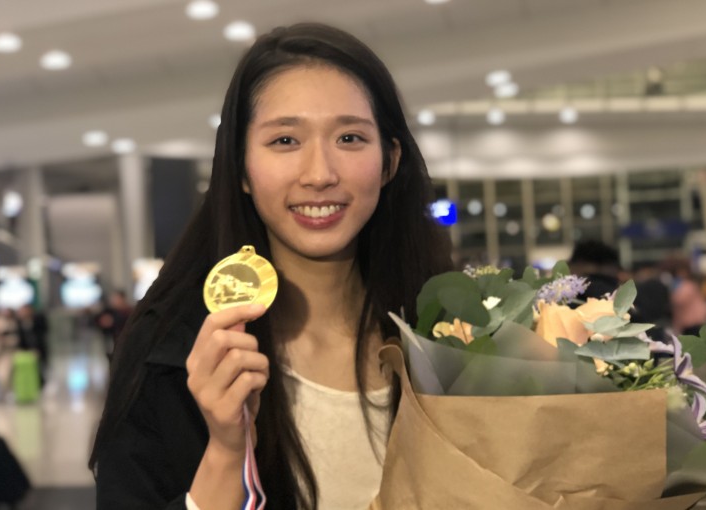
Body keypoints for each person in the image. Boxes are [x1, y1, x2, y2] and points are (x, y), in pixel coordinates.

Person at [90, 23, 452, 510]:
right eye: (285, 141)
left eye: (349, 137)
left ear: (389, 162)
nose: (320, 174)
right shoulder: (171, 353)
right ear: (239, 167)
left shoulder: (452, 336)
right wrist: (226, 449)